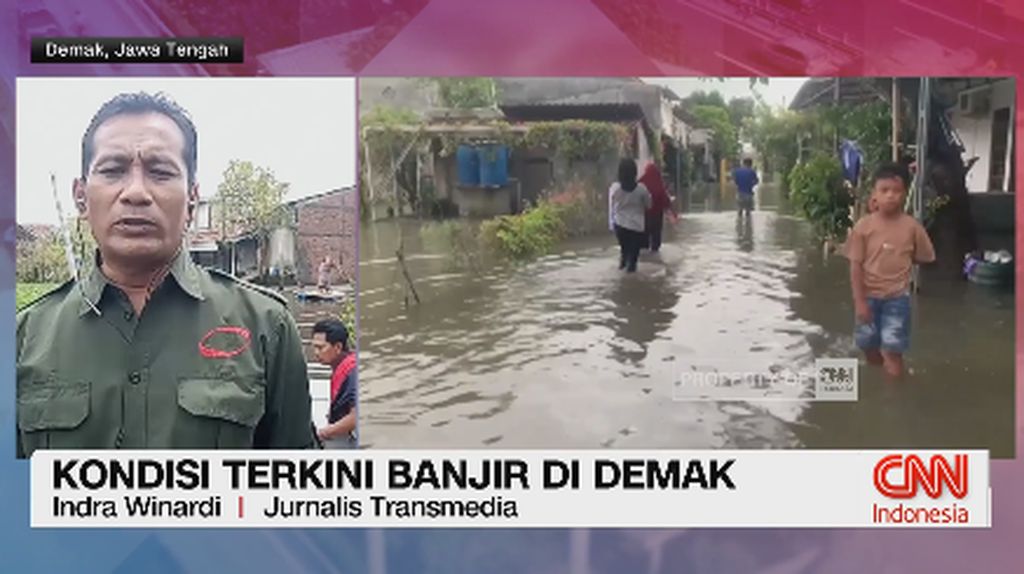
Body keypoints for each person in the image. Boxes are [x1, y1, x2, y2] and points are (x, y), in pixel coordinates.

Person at [15, 92, 318, 457]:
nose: (136, 193)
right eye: (113, 170)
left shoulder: (268, 327)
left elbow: (297, 498)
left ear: (192, 198)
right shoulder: (23, 337)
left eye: (160, 172)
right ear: (81, 197)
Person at [845, 163, 936, 379]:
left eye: (896, 191)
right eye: (884, 190)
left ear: (904, 194)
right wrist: (859, 302)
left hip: (897, 298)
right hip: (868, 297)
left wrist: (899, 258)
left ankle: (893, 397)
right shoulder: (863, 227)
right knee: (868, 346)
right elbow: (855, 265)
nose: (890, 196)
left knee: (893, 351)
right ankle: (878, 383)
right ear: (874, 195)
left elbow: (924, 256)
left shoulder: (912, 227)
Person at [311, 319, 357, 448]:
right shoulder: (342, 367)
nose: (316, 353)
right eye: (314, 347)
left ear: (337, 347)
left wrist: (324, 432)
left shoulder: (352, 371)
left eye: (320, 347)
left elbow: (356, 417)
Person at [609, 158, 652, 273]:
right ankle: (629, 285)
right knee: (632, 261)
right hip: (636, 228)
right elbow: (648, 205)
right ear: (635, 172)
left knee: (624, 254)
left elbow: (612, 206)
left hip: (620, 226)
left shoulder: (615, 188)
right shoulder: (642, 189)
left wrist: (611, 224)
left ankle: (621, 279)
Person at [638, 162, 678, 252]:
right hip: (656, 219)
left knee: (643, 245)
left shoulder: (640, 184)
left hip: (644, 219)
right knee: (655, 245)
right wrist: (673, 215)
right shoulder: (659, 185)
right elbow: (666, 202)